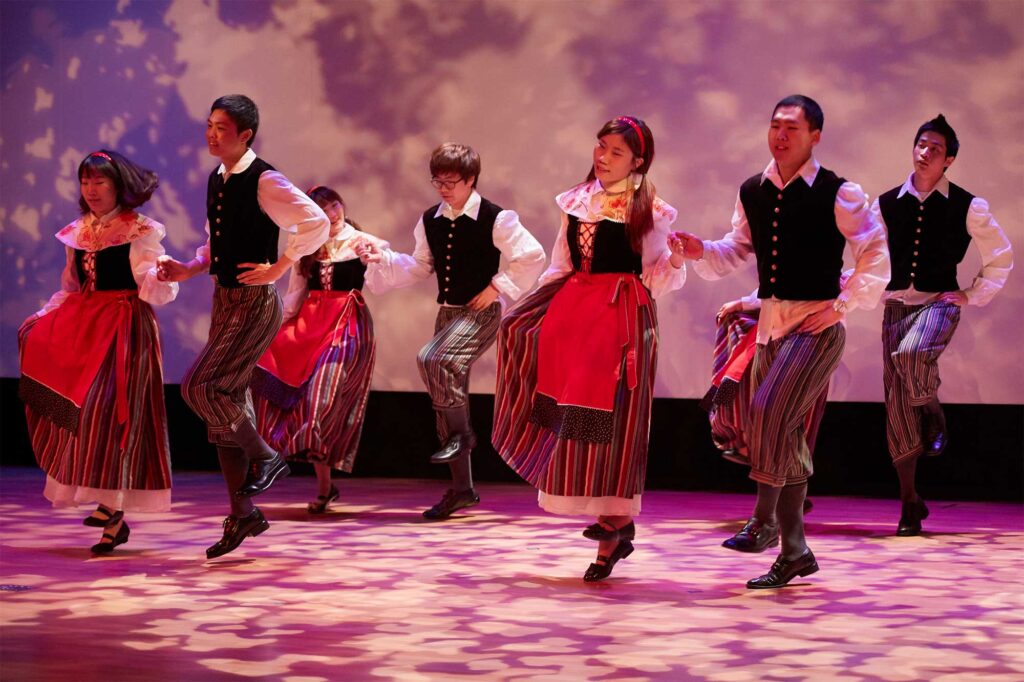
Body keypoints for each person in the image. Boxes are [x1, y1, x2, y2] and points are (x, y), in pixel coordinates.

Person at [672, 95, 890, 588]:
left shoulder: (839, 192)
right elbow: (737, 249)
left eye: (792, 127)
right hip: (772, 327)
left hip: (816, 329)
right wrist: (699, 250)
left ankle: (776, 530)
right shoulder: (754, 189)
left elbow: (874, 254)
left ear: (815, 136)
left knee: (770, 414)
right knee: (778, 426)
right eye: (775, 126)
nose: (781, 135)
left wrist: (841, 305)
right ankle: (792, 547)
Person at [493, 116, 686, 582]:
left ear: (638, 160)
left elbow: (656, 275)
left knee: (612, 422)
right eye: (600, 147)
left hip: (620, 318)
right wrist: (535, 308)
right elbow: (561, 263)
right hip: (576, 310)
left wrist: (677, 257)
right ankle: (615, 526)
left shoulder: (651, 210)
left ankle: (610, 529)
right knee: (566, 405)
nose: (602, 157)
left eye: (615, 152)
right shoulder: (577, 202)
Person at [156, 94, 330, 558]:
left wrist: (280, 266)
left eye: (221, 128)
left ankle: (267, 457)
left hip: (254, 304)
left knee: (200, 387)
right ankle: (243, 513)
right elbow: (219, 240)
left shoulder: (264, 178)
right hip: (225, 298)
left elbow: (315, 223)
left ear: (245, 134)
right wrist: (189, 269)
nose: (211, 134)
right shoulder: (220, 177)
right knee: (224, 411)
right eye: (209, 125)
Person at [359, 143, 545, 520]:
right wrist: (385, 259)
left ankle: (464, 437)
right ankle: (462, 490)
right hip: (448, 315)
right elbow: (420, 266)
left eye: (451, 182)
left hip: (481, 313)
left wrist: (497, 286)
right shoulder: (430, 218)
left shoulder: (496, 218)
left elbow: (532, 255)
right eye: (437, 181)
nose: (443, 188)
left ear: (471, 180)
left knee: (433, 358)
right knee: (446, 395)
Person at [18, 149, 177, 553]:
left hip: (125, 327)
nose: (91, 189)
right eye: (85, 181)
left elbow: (153, 287)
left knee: (113, 412)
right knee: (84, 412)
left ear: (118, 185)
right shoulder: (77, 232)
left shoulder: (139, 230)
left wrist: (160, 275)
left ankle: (114, 510)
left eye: (99, 181)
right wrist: (47, 314)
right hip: (88, 323)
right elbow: (73, 287)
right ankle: (111, 513)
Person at [874, 114, 1012, 536]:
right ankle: (909, 503)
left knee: (913, 355)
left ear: (948, 159)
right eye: (920, 144)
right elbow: (872, 257)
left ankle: (934, 414)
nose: (925, 152)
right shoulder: (884, 203)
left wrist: (972, 294)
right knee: (897, 409)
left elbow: (1001, 255)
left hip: (938, 303)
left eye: (935, 148)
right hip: (897, 306)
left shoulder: (967, 204)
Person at [251, 186, 389, 513]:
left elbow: (385, 278)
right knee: (283, 385)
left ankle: (311, 462)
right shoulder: (305, 246)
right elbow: (295, 293)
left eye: (334, 204)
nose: (332, 212)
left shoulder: (364, 242)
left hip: (346, 323)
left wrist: (378, 258)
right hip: (310, 323)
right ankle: (323, 486)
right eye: (323, 208)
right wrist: (276, 327)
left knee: (322, 399)